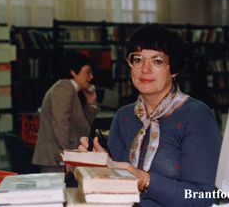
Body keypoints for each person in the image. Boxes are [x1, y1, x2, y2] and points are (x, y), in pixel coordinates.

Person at [79, 24, 221, 206]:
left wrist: (146, 181)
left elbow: (205, 198)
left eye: (157, 61)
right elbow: (115, 188)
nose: (144, 69)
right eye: (137, 60)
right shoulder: (124, 116)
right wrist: (99, 165)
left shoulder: (197, 116)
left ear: (174, 69)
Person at [33, 51, 98, 173]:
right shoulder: (64, 88)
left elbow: (84, 125)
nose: (90, 77)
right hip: (56, 159)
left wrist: (91, 103)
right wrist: (67, 156)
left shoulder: (72, 90)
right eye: (87, 72)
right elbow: (61, 124)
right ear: (73, 72)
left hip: (59, 157)